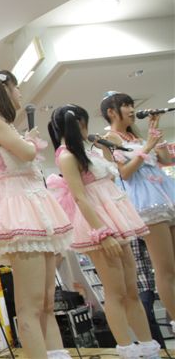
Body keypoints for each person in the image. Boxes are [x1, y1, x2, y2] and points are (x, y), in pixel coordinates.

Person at [47, 104, 161, 359]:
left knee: (131, 290)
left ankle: (148, 347)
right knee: (115, 292)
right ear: (80, 123)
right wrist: (103, 232)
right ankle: (127, 349)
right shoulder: (67, 156)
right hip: (100, 225)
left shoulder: (90, 150)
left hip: (116, 218)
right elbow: (79, 197)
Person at [0, 69, 73, 359]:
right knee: (30, 305)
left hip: (35, 206)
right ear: (2, 90)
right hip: (18, 210)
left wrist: (27, 139)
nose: (19, 93)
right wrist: (29, 140)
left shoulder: (6, 125)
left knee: (47, 302)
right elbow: (27, 153)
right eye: (15, 87)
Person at [100, 91, 175, 334]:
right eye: (126, 105)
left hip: (165, 194)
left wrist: (154, 134)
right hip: (146, 201)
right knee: (165, 268)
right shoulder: (108, 139)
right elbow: (124, 173)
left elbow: (166, 160)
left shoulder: (136, 135)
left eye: (132, 105)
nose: (132, 109)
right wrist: (147, 146)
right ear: (112, 112)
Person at [130, 238, 166, 347]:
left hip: (144, 281)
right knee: (143, 317)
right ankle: (152, 348)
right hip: (127, 282)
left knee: (145, 313)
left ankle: (158, 348)